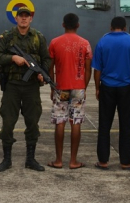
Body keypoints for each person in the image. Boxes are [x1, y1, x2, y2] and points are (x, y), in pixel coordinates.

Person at [0, 6, 51, 173]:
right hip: (12, 86)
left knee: (33, 122)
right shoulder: (7, 37)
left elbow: (46, 59)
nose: (24, 19)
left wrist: (42, 73)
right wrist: (13, 58)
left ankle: (30, 159)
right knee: (8, 122)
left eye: (27, 16)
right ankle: (7, 159)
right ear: (16, 19)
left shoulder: (38, 37)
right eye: (21, 16)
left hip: (31, 87)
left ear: (31, 19)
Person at [92, 16, 130, 170]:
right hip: (126, 87)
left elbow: (97, 69)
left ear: (111, 26)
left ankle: (103, 161)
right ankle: (126, 161)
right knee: (126, 124)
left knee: (104, 125)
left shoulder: (103, 41)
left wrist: (97, 87)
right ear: (125, 27)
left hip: (107, 87)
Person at [46, 13, 92, 170]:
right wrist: (83, 87)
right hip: (78, 87)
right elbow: (87, 69)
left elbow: (49, 68)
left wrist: (53, 86)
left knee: (60, 122)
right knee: (75, 122)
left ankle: (58, 160)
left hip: (61, 87)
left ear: (63, 24)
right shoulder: (85, 43)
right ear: (78, 25)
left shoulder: (54, 42)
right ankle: (73, 161)